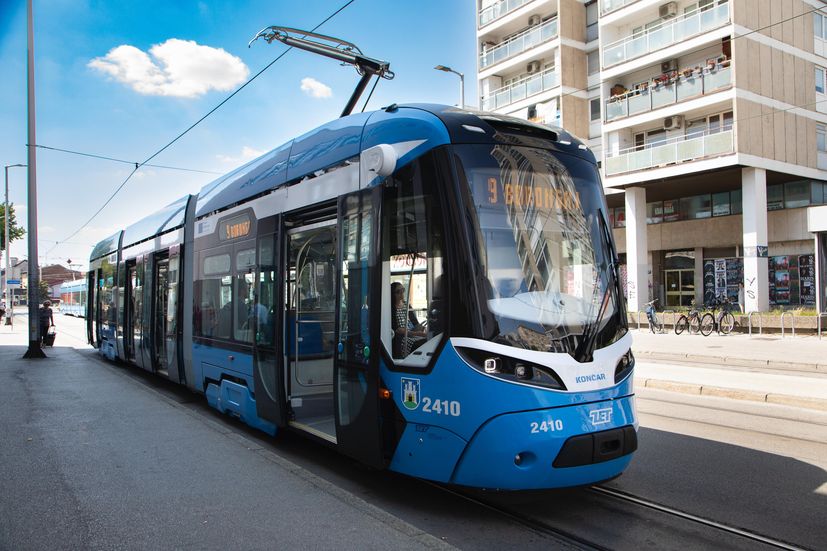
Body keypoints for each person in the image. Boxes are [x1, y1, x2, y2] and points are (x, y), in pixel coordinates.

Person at [391, 282, 427, 359]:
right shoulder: (391, 308)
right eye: (398, 292)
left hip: (412, 332)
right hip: (402, 337)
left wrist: (424, 329)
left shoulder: (407, 305)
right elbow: (397, 329)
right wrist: (417, 333)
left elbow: (415, 323)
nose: (401, 294)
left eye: (402, 290)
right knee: (419, 343)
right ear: (392, 294)